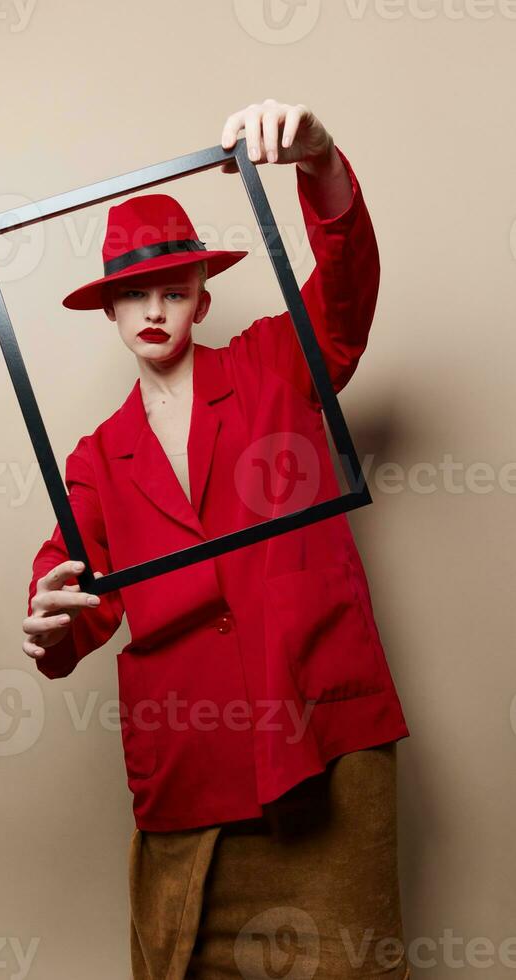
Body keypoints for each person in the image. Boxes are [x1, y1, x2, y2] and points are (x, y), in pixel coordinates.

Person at [22, 100, 411, 979]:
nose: (154, 308)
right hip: (192, 775)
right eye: (133, 292)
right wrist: (50, 622)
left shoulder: (277, 364)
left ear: (202, 295)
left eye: (172, 288)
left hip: (320, 743)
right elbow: (73, 593)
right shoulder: (95, 459)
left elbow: (346, 299)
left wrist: (320, 162)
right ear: (109, 309)